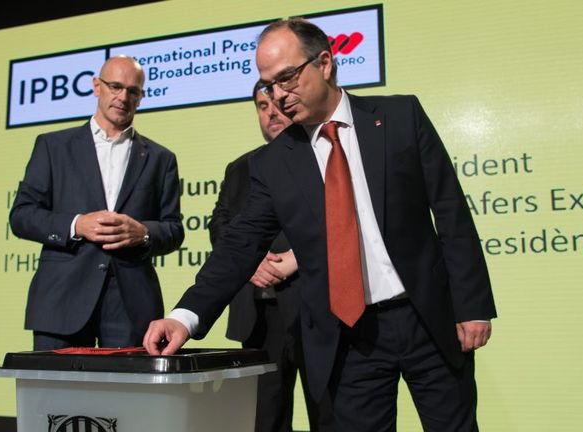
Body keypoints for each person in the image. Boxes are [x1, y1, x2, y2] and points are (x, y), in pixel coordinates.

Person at [145, 19, 496, 431]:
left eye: (286, 78)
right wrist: (185, 316)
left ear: (325, 63)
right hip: (349, 337)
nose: (278, 95)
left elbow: (451, 211)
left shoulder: (400, 116)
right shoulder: (274, 163)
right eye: (268, 85)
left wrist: (472, 305)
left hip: (430, 320)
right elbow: (239, 246)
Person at [10, 55, 184, 351]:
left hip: (131, 305)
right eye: (115, 86)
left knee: (126, 398)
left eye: (133, 91)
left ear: (141, 97)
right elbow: (22, 216)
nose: (123, 97)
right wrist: (77, 224)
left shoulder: (161, 158)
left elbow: (174, 230)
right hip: (61, 300)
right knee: (58, 397)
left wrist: (141, 233)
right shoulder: (53, 146)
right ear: (96, 86)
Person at [209, 84, 332, 432]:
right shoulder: (240, 168)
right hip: (259, 317)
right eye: (262, 106)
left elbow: (337, 222)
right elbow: (220, 224)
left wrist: (298, 257)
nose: (271, 113)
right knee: (264, 420)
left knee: (328, 416)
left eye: (277, 104)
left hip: (315, 308)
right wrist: (250, 261)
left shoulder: (324, 154)